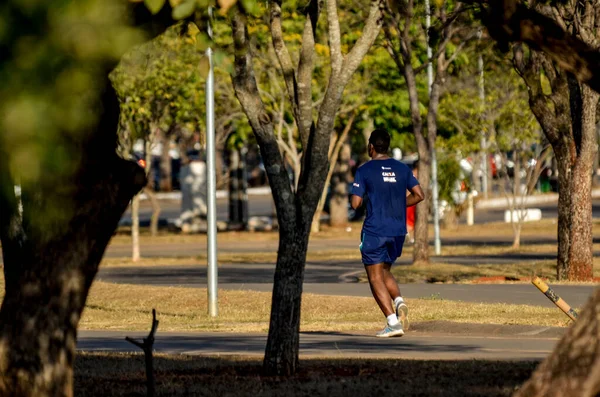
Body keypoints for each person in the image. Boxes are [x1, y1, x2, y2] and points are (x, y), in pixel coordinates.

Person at [351, 129, 424, 338]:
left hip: (376, 230)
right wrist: (399, 204)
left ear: (371, 147)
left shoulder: (364, 170)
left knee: (374, 276)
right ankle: (399, 302)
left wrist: (360, 194)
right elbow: (419, 195)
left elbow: (355, 204)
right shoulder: (402, 168)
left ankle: (392, 323)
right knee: (383, 272)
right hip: (398, 231)